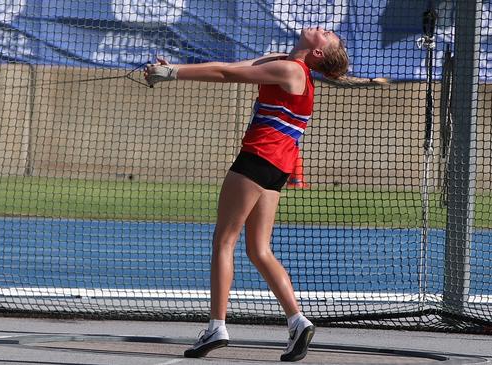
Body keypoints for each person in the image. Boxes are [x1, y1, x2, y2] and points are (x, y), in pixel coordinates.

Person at [144, 27, 387, 362]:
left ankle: (217, 327)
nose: (324, 29)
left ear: (317, 53)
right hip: (277, 167)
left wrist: (171, 73)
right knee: (258, 248)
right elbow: (230, 65)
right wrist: (172, 67)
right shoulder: (282, 62)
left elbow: (227, 74)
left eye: (329, 36)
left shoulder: (289, 70)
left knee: (224, 241)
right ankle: (298, 321)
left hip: (259, 159)